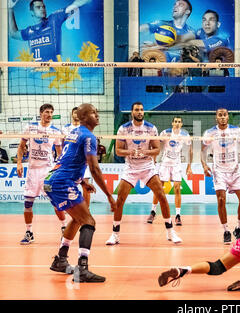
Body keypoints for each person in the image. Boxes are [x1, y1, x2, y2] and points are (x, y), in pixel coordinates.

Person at [44, 103, 116, 283]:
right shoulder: (88, 136)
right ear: (83, 117)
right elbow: (95, 169)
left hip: (53, 179)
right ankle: (82, 269)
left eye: (97, 112)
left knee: (77, 220)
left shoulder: (73, 133)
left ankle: (60, 260)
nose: (97, 115)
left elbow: (69, 159)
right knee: (88, 221)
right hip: (62, 182)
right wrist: (109, 196)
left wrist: (82, 181)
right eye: (93, 112)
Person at [105, 102, 182, 246]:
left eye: (141, 110)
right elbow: (118, 151)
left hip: (147, 167)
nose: (140, 112)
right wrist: (131, 152)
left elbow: (156, 150)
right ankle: (115, 234)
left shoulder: (151, 128)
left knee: (162, 196)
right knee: (120, 200)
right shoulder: (124, 129)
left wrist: (145, 152)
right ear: (132, 112)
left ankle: (170, 232)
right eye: (137, 110)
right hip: (131, 168)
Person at [17, 103, 67, 245]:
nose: (49, 115)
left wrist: (59, 169)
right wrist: (19, 162)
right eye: (47, 112)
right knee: (28, 203)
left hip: (47, 170)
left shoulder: (56, 131)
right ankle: (29, 232)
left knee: (56, 203)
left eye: (51, 112)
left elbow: (59, 154)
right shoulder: (30, 127)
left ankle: (64, 228)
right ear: (41, 113)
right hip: (32, 170)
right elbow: (21, 146)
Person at [201, 108, 240, 244]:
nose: (222, 117)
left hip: (234, 170)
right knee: (221, 200)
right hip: (219, 171)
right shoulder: (210, 132)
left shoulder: (236, 130)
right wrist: (204, 165)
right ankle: (226, 231)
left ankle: (239, 228)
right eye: (220, 115)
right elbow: (203, 151)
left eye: (224, 115)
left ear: (228, 117)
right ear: (216, 117)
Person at [8, 0, 91, 62]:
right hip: (35, 75)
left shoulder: (53, 20)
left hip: (53, 73)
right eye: (38, 7)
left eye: (43, 7)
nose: (42, 9)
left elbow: (73, 6)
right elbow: (13, 34)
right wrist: (10, 9)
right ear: (32, 12)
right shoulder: (29, 31)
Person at [149, 116, 193, 226]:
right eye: (175, 121)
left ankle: (178, 215)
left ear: (181, 124)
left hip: (177, 164)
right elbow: (156, 145)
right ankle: (153, 212)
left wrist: (189, 166)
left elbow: (190, 150)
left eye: (179, 122)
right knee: (159, 188)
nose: (177, 123)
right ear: (172, 123)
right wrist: (154, 159)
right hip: (165, 163)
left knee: (177, 188)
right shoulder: (165, 133)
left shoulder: (185, 135)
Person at [62, 106, 94, 207]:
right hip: (70, 163)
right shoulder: (66, 128)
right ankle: (70, 208)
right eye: (74, 113)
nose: (76, 115)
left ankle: (87, 209)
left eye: (77, 113)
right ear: (72, 114)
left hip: (82, 162)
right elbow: (63, 144)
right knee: (68, 186)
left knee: (86, 186)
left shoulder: (85, 128)